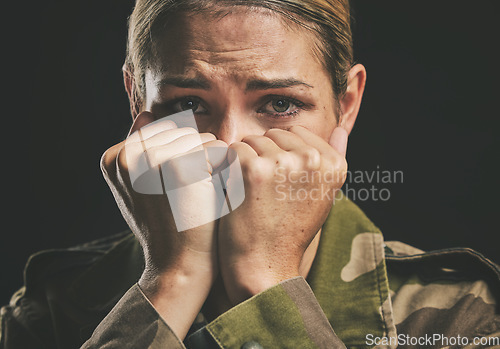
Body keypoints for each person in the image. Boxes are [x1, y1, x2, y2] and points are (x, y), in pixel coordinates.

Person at [1, 0, 499, 348]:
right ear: (137, 101)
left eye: (280, 104)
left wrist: (268, 284)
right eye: (188, 104)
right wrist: (170, 282)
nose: (230, 148)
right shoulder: (50, 312)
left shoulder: (461, 314)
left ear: (345, 106)